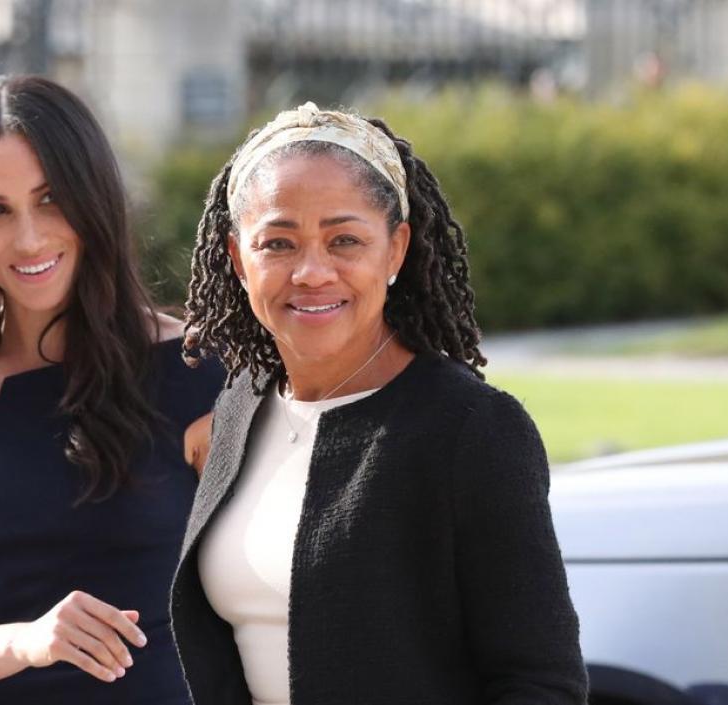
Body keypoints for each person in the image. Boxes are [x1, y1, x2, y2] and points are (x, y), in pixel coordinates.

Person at [171, 102, 588, 705]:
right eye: (278, 243)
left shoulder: (471, 430)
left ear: (394, 251)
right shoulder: (241, 405)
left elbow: (542, 683)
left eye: (345, 240)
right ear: (239, 259)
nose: (312, 271)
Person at [0, 75, 223, 704]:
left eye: (51, 199)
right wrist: (26, 642)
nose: (28, 238)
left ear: (94, 201)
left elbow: (269, 604)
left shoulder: (197, 371)